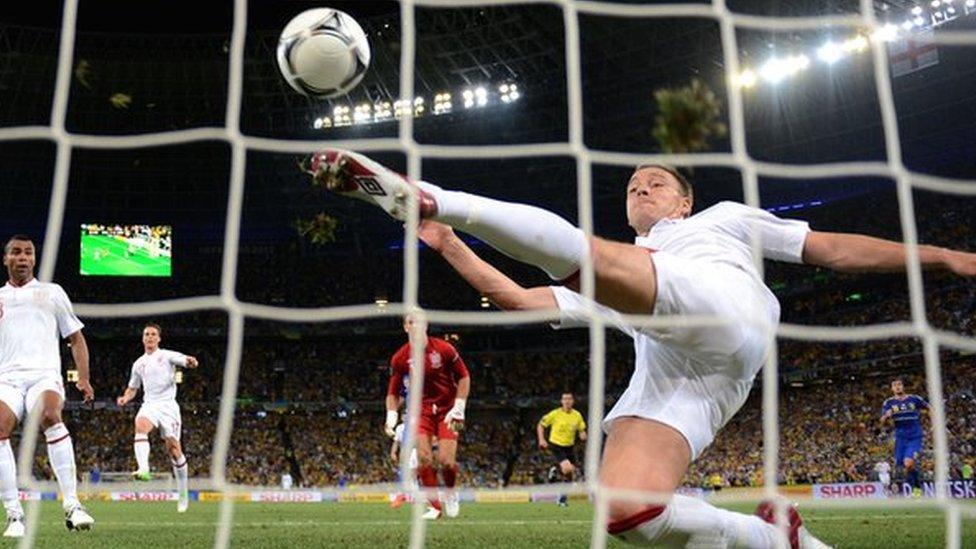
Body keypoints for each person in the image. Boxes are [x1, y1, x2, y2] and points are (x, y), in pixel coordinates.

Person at [310, 149, 976, 547]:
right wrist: (447, 244)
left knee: (591, 256)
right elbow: (518, 300)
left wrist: (942, 256)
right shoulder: (626, 272)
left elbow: (828, 248)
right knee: (625, 512)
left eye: (655, 181)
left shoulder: (722, 221)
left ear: (684, 201)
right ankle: (775, 536)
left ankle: (438, 194)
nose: (641, 188)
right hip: (685, 381)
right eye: (632, 186)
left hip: (726, 311)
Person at [0, 235, 96, 537]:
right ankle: (14, 514)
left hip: (44, 375)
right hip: (6, 378)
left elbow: (76, 337)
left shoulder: (52, 292)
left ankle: (73, 505)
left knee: (51, 416)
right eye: (16, 252)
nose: (22, 257)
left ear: (34, 259)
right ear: (6, 260)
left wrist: (83, 378)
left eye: (28, 252)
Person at [385, 316, 470, 520]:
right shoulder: (399, 358)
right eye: (411, 321)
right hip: (420, 410)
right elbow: (393, 392)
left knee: (447, 462)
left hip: (447, 409)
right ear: (406, 327)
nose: (416, 324)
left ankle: (450, 493)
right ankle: (436, 507)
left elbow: (464, 377)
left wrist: (459, 406)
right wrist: (391, 415)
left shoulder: (444, 349)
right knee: (423, 458)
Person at [116, 323, 198, 513]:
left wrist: (190, 361)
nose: (150, 337)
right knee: (140, 424)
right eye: (147, 334)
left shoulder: (166, 355)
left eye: (153, 334)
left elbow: (185, 360)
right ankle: (144, 468)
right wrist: (125, 398)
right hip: (150, 405)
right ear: (143, 338)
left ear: (159, 338)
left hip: (168, 406)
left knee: (174, 451)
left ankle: (183, 493)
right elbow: (133, 387)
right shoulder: (138, 364)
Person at [881, 378, 928, 498]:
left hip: (914, 435)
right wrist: (886, 416)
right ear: (892, 389)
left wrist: (935, 422)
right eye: (895, 385)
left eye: (899, 384)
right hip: (900, 437)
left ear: (903, 386)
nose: (897, 387)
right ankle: (913, 487)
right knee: (900, 465)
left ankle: (916, 490)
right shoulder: (888, 403)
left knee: (908, 463)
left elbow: (929, 407)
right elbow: (882, 421)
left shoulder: (914, 399)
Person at [537, 392, 587, 507]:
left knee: (569, 474)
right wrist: (541, 440)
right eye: (565, 399)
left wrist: (583, 434)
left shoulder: (577, 415)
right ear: (561, 401)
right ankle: (556, 468)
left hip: (569, 447)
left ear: (573, 401)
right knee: (567, 468)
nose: (567, 401)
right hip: (556, 445)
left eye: (569, 399)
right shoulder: (555, 414)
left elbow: (581, 428)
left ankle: (562, 499)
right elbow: (541, 425)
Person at [389, 420, 420, 509]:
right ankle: (408, 496)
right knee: (403, 474)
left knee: (411, 474)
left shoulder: (416, 425)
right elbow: (396, 441)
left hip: (414, 450)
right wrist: (393, 452)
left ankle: (407, 497)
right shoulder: (400, 428)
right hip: (404, 451)